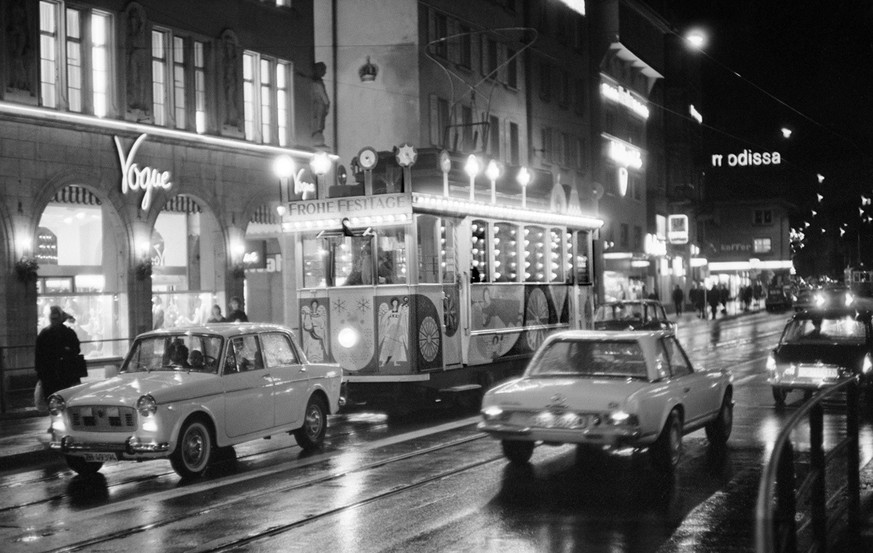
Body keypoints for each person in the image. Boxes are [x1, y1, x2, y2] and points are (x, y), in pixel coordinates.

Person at [35, 306, 82, 431]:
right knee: (63, 398)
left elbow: (39, 355)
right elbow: (76, 349)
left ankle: (56, 423)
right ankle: (65, 423)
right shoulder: (67, 333)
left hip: (52, 373)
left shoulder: (45, 333)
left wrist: (40, 373)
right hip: (63, 373)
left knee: (54, 399)